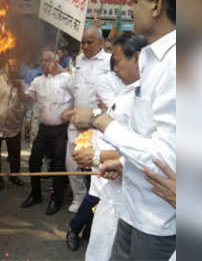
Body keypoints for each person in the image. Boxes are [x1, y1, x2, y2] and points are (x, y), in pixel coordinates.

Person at [73, 0, 176, 259]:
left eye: (134, 1)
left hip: (156, 220)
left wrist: (101, 121)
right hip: (130, 207)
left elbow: (166, 158)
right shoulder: (153, 59)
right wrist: (124, 164)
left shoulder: (176, 63)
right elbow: (146, 135)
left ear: (156, 5)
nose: (130, 8)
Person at [67, 33, 148, 258]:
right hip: (108, 190)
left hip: (125, 199)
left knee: (108, 251)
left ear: (139, 58)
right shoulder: (128, 90)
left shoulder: (147, 97)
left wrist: (98, 157)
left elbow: (143, 150)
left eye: (119, 60)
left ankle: (75, 228)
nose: (115, 68)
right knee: (98, 247)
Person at [66, 26, 115, 214]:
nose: (85, 46)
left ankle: (96, 203)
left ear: (100, 43)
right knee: (72, 164)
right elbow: (76, 89)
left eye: (90, 42)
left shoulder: (109, 61)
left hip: (97, 123)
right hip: (76, 121)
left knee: (97, 164)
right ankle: (79, 197)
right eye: (83, 42)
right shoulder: (78, 60)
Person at [20, 51, 72, 215]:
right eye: (41, 61)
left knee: (58, 165)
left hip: (61, 130)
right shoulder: (37, 81)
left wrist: (70, 110)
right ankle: (35, 195)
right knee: (34, 161)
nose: (44, 64)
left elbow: (80, 96)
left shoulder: (66, 78)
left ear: (55, 61)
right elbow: (27, 99)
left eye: (47, 60)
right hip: (44, 129)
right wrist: (17, 88)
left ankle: (56, 199)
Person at [0, 58, 27, 187]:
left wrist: (20, 88)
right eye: (11, 66)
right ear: (5, 66)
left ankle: (14, 176)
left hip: (14, 125)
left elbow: (27, 101)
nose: (13, 69)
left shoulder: (21, 83)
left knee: (14, 153)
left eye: (16, 67)